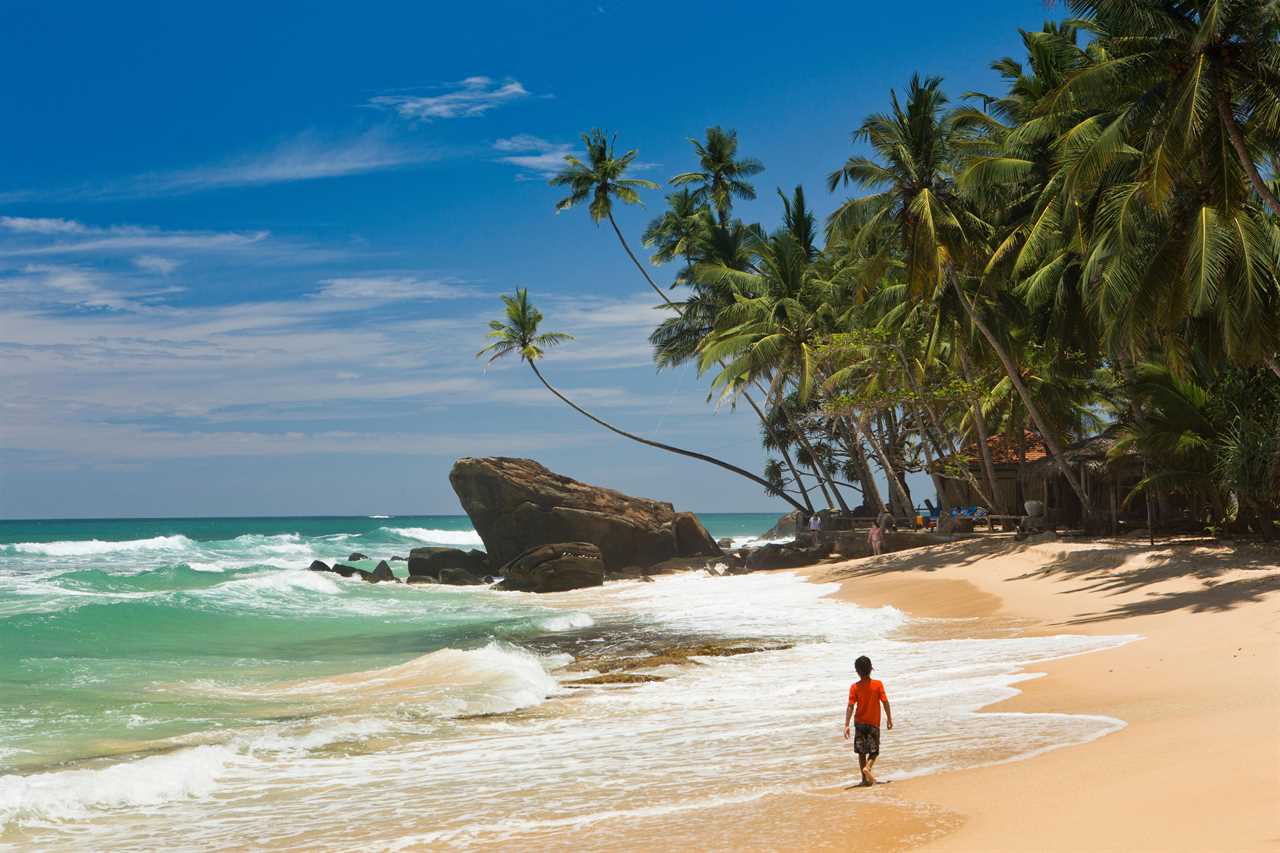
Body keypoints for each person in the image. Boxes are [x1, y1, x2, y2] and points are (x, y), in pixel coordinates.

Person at [842, 655, 892, 786]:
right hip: (873, 724)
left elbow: (850, 706)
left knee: (861, 752)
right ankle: (868, 768)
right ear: (871, 669)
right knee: (874, 751)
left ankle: (864, 780)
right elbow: (885, 702)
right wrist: (889, 718)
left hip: (859, 724)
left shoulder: (854, 687)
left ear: (857, 671)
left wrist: (846, 724)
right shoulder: (878, 684)